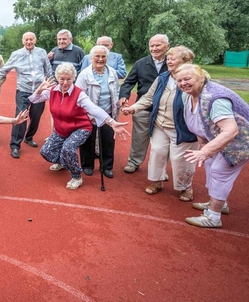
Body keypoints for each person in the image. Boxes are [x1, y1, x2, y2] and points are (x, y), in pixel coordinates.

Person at [175, 64, 249, 228]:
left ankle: (213, 217)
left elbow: (230, 130)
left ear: (201, 78)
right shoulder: (189, 95)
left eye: (187, 79)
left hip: (243, 139)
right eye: (179, 80)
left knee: (219, 170)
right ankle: (219, 203)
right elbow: (199, 123)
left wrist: (205, 151)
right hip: (220, 137)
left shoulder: (215, 98)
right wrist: (204, 146)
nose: (183, 83)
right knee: (210, 163)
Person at [30, 62, 129, 190]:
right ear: (57, 78)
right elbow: (34, 99)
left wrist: (112, 122)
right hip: (61, 129)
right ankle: (64, 162)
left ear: (73, 79)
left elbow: (94, 109)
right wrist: (39, 89)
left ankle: (76, 175)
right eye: (62, 79)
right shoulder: (52, 91)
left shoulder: (79, 94)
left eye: (68, 79)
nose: (65, 82)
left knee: (68, 148)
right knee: (46, 152)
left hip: (80, 127)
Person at [122, 46, 198, 200]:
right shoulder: (163, 77)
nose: (168, 60)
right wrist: (133, 108)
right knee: (157, 152)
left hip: (182, 128)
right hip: (160, 125)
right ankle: (157, 181)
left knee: (179, 158)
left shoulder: (193, 78)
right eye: (168, 58)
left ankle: (186, 187)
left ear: (185, 61)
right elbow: (149, 97)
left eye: (173, 58)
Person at [0, 31, 51, 158]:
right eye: (26, 40)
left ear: (35, 40)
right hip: (23, 91)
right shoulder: (17, 54)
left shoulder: (41, 52)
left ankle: (29, 137)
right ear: (23, 41)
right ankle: (15, 145)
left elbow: (48, 70)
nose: (29, 42)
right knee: (21, 117)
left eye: (31, 39)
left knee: (36, 117)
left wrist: (52, 86)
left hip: (40, 91)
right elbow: (4, 69)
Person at [119, 34, 170, 173]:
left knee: (163, 142)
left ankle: (160, 169)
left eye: (158, 45)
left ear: (167, 46)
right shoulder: (141, 63)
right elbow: (128, 82)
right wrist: (124, 95)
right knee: (139, 138)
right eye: (151, 46)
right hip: (143, 107)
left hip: (165, 110)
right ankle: (134, 162)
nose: (154, 48)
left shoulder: (173, 63)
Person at [75, 45, 121, 178]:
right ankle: (87, 165)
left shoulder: (112, 72)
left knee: (108, 140)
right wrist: (89, 114)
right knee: (88, 139)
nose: (100, 59)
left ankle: (106, 166)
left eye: (103, 56)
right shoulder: (84, 74)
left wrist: (118, 103)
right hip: (89, 114)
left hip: (108, 112)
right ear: (91, 58)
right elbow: (79, 95)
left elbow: (116, 90)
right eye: (97, 56)